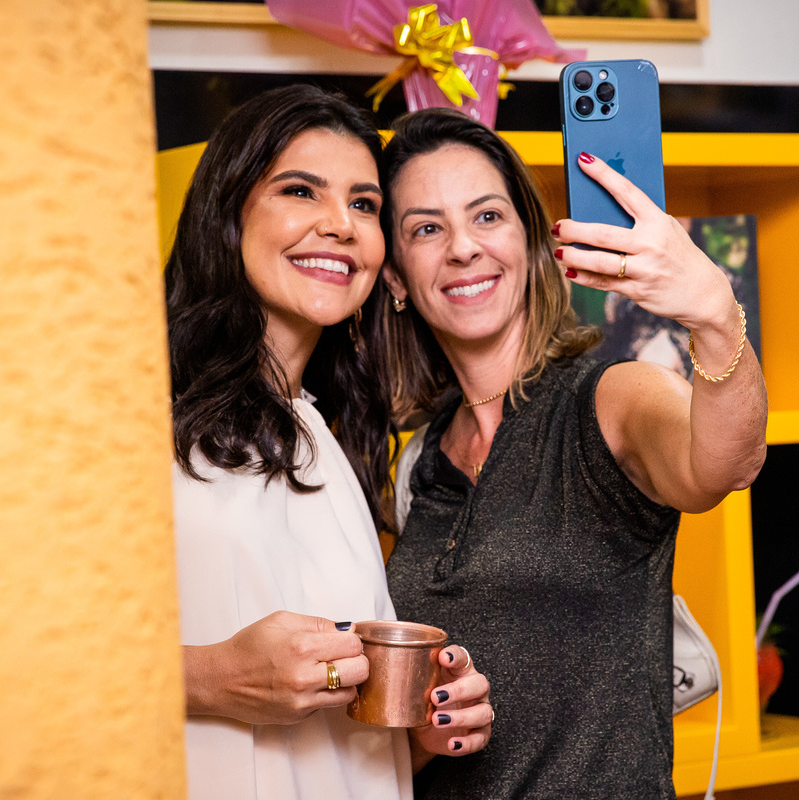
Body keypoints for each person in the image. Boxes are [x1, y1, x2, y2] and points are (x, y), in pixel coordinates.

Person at [378, 108, 767, 798]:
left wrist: (714, 312)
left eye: (487, 216)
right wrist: (426, 735)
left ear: (532, 243)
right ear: (397, 279)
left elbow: (725, 465)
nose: (463, 248)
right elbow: (405, 732)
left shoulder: (610, 398)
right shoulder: (418, 461)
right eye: (426, 229)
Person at [164, 87, 492, 800]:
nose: (341, 225)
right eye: (300, 190)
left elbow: (345, 753)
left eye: (364, 204)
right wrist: (209, 678)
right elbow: (9, 656)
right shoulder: (131, 412)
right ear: (227, 212)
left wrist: (420, 725)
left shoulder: (326, 434)